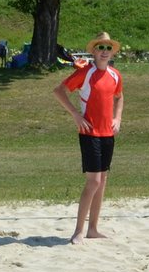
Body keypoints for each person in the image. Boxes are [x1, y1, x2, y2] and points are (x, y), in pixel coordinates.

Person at [53, 31, 124, 244]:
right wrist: (76, 115)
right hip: (89, 133)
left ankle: (93, 229)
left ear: (112, 52)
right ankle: (78, 231)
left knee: (102, 181)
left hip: (107, 134)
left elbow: (120, 97)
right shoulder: (85, 73)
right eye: (101, 47)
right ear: (93, 50)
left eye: (108, 48)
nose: (105, 51)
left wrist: (118, 118)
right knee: (93, 182)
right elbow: (59, 91)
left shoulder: (115, 75)